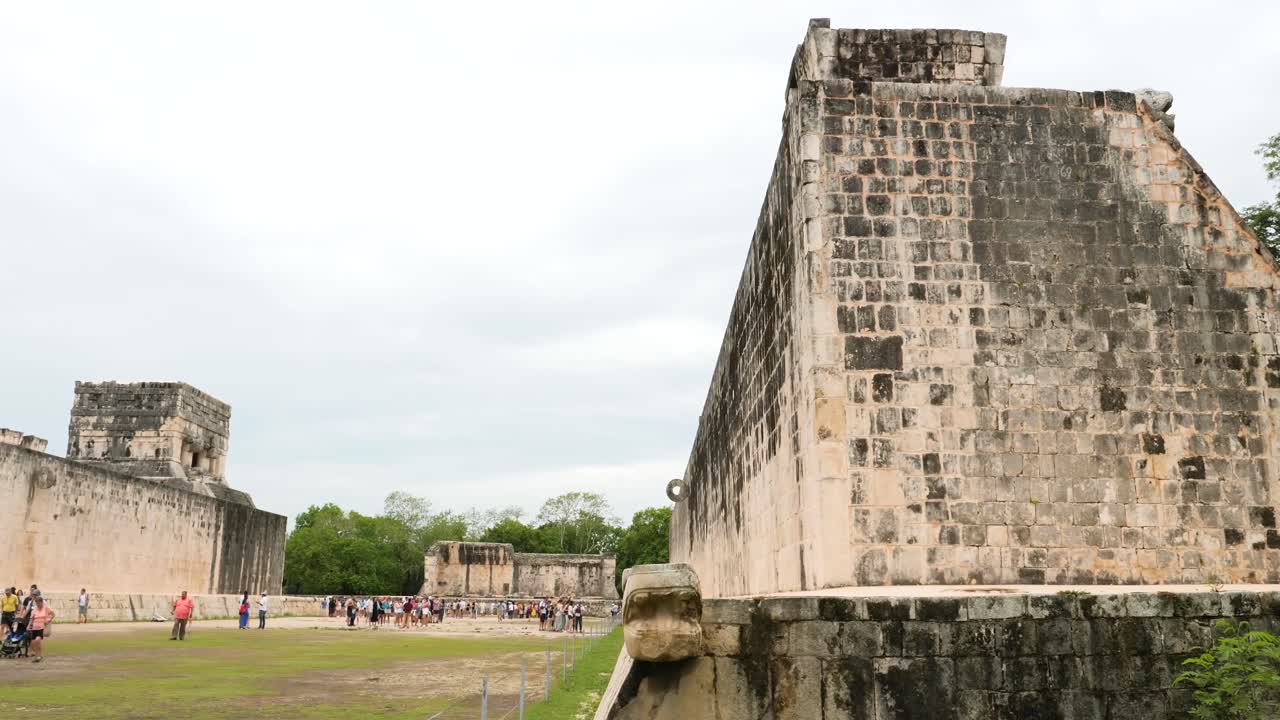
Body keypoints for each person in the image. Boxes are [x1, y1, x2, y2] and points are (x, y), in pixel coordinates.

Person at [25, 590, 55, 662]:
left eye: (39, 603)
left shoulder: (45, 607)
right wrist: (29, 625)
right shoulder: (34, 608)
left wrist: (48, 620)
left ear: (41, 602)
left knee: (37, 640)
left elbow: (53, 614)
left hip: (41, 627)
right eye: (37, 603)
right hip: (35, 627)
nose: (38, 605)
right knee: (34, 642)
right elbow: (32, 618)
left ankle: (38, 656)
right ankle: (38, 655)